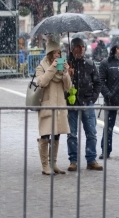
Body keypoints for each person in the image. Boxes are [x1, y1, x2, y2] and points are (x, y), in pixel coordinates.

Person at [66, 37, 103, 171]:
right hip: (72, 103)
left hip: (87, 102)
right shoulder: (65, 63)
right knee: (72, 134)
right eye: (77, 47)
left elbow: (97, 83)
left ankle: (91, 159)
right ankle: (73, 160)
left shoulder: (89, 63)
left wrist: (92, 98)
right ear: (71, 48)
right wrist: (68, 75)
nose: (80, 49)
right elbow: (58, 82)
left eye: (82, 47)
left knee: (91, 133)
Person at [36, 39, 72, 175]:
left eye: (59, 52)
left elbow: (68, 87)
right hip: (47, 105)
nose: (57, 55)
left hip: (60, 106)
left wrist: (66, 73)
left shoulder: (62, 67)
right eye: (55, 52)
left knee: (56, 135)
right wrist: (52, 68)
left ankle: (53, 163)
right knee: (45, 135)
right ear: (50, 53)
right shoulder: (41, 66)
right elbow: (42, 82)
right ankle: (45, 165)